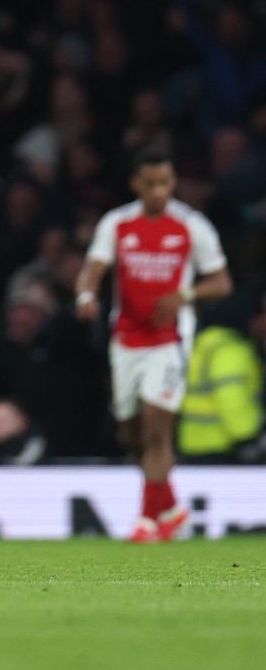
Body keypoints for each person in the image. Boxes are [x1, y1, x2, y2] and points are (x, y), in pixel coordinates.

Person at [75, 150, 232, 542]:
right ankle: (172, 509)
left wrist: (187, 294)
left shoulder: (191, 226)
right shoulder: (118, 223)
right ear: (136, 185)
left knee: (157, 429)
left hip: (169, 339)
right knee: (131, 433)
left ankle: (147, 522)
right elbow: (92, 270)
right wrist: (85, 298)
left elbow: (222, 282)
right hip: (126, 339)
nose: (160, 191)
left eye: (166, 183)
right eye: (152, 184)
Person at [178, 297, 263, 463]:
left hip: (192, 442)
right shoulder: (230, 350)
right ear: (248, 317)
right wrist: (247, 438)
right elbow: (232, 398)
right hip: (222, 447)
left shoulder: (202, 344)